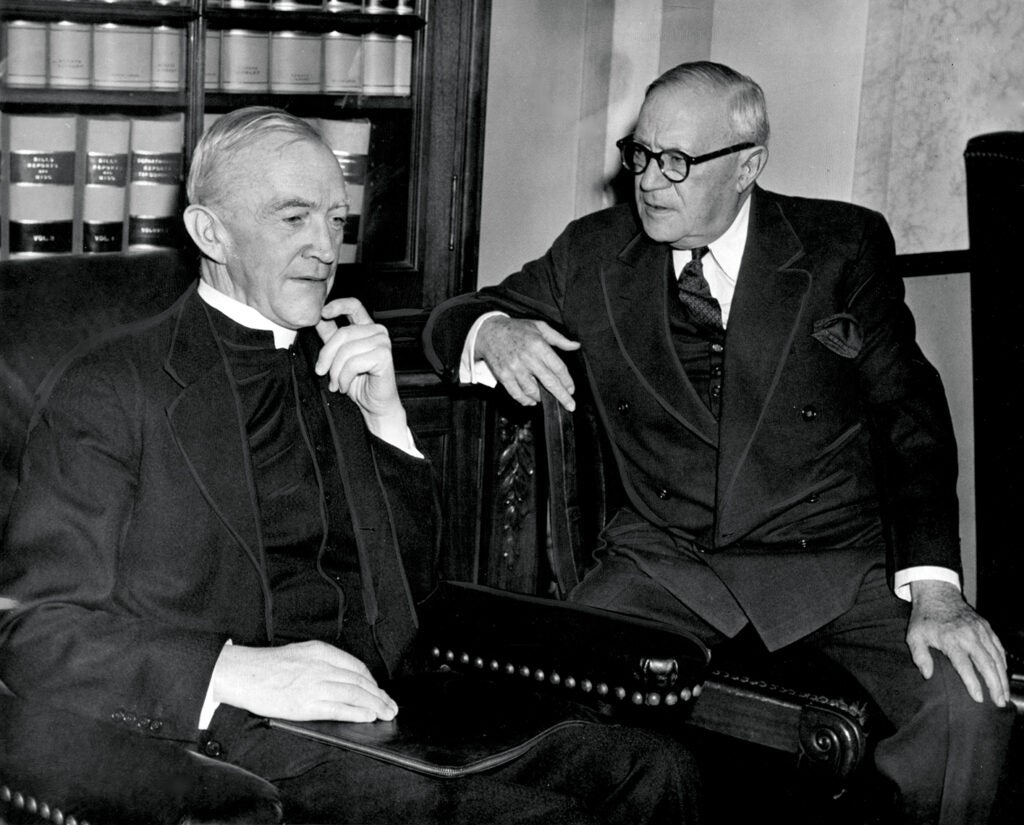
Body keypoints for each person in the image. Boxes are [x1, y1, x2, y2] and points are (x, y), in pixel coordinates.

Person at [0, 107, 703, 825]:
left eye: (335, 221)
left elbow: (416, 591)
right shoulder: (114, 384)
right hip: (243, 732)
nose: (322, 247)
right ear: (210, 231)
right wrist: (233, 668)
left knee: (658, 772)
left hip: (390, 706)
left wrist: (386, 422)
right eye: (292, 218)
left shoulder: (338, 356)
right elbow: (34, 631)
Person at [424, 62, 1015, 824]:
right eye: (640, 154)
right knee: (541, 705)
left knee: (970, 706)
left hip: (831, 561)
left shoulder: (840, 246)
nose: (649, 181)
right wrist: (491, 330)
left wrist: (937, 590)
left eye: (676, 162)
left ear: (748, 165)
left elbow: (913, 422)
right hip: (666, 562)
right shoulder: (595, 253)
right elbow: (454, 318)